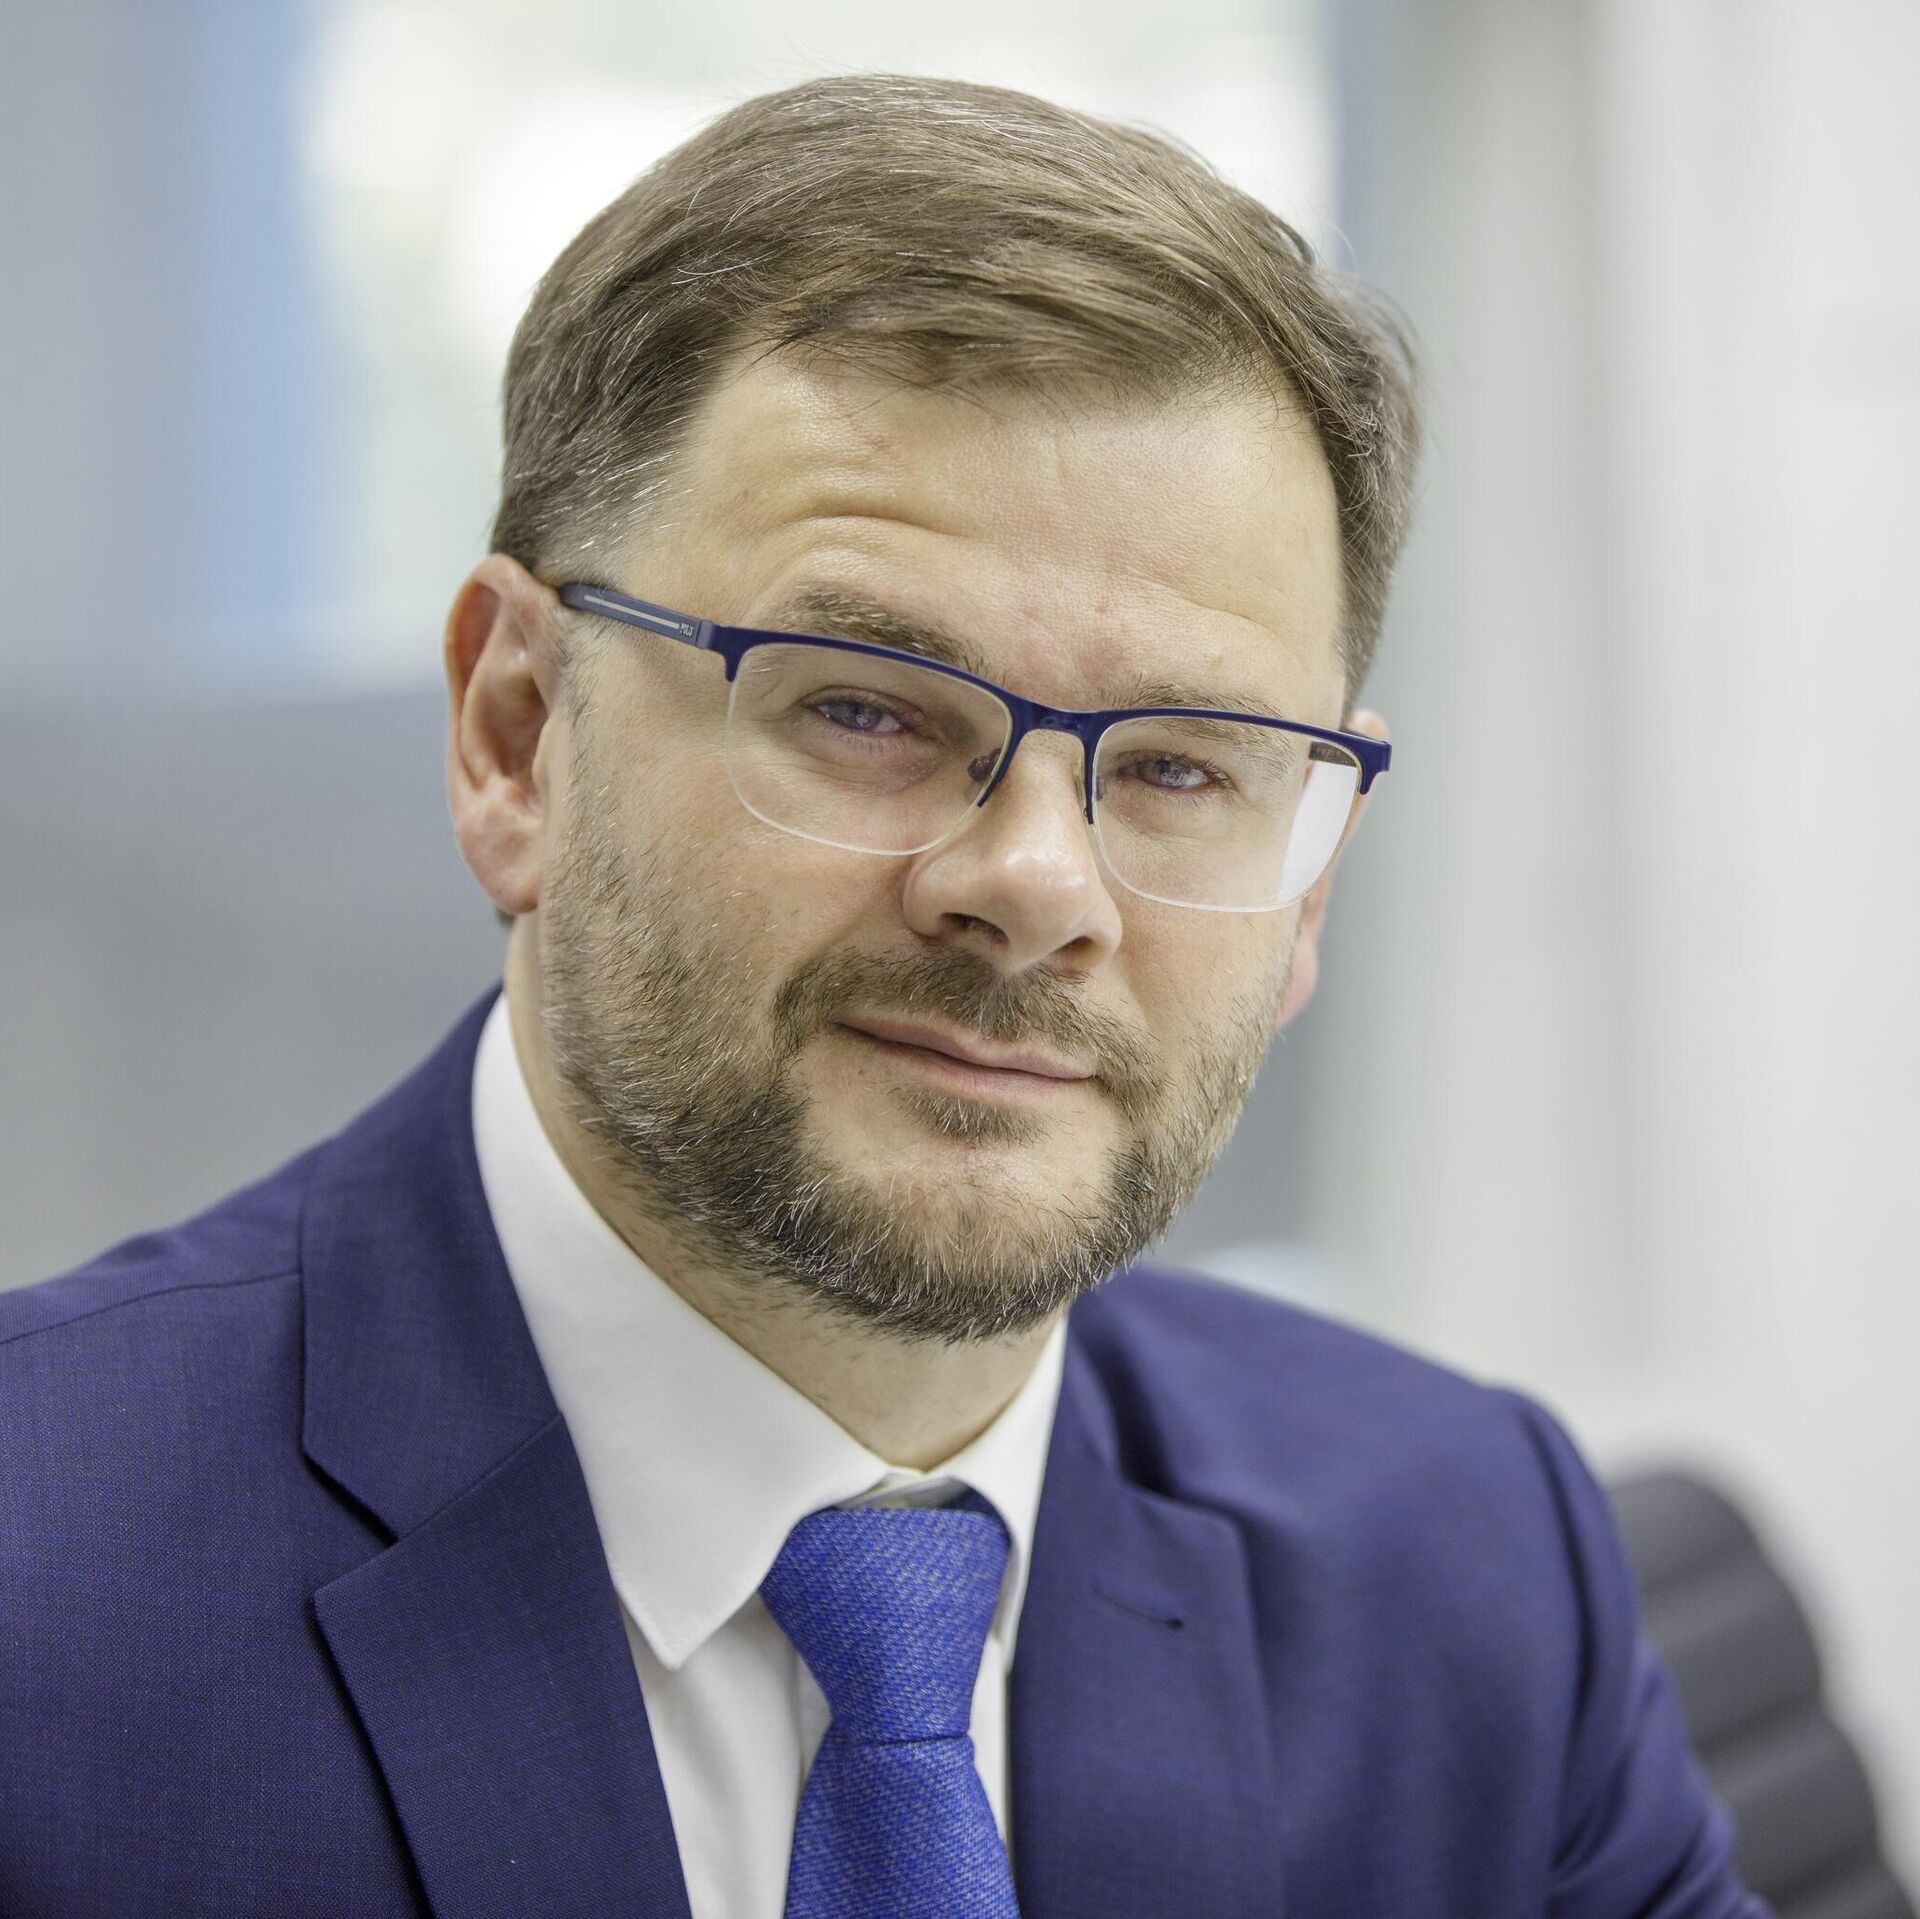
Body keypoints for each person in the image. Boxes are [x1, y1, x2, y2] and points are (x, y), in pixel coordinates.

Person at [0, 72, 1765, 1919]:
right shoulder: (44, 1590)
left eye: (1184, 765)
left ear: (1309, 877)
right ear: (518, 735)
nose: (1035, 887)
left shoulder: (1474, 1570)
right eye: (861, 708)